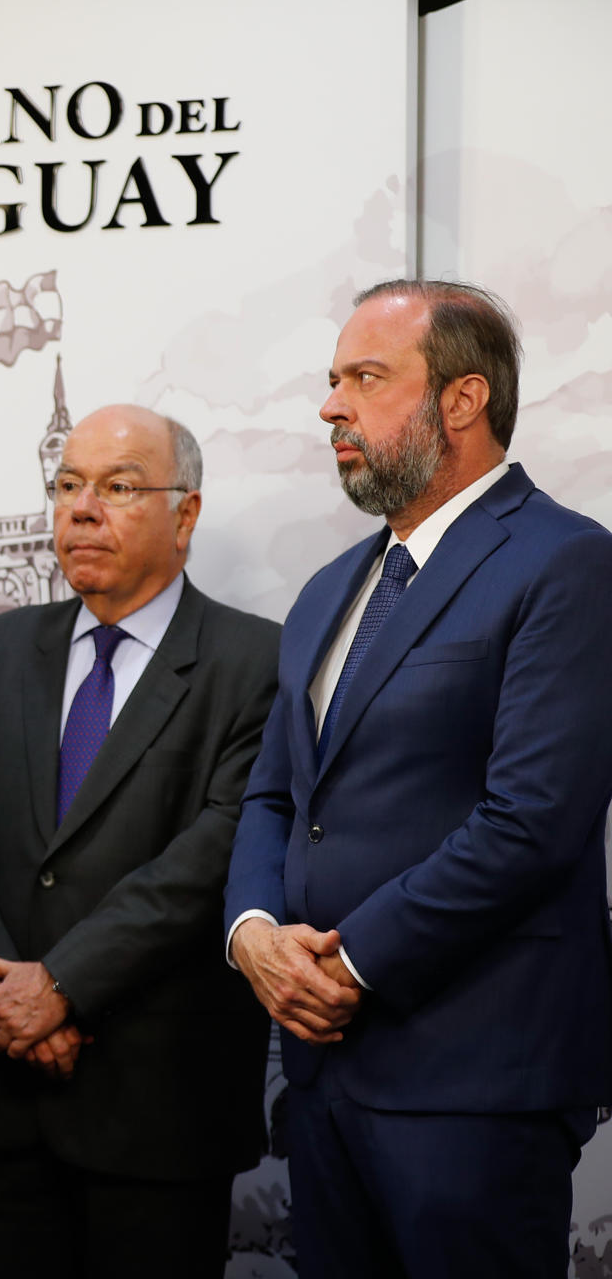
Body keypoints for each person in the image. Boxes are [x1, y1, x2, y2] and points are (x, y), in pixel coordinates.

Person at [223, 280, 612, 1277]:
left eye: (365, 377)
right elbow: (276, 796)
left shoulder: (566, 563)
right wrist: (256, 934)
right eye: (331, 380)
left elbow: (532, 820)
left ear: (463, 400)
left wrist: (346, 967)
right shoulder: (327, 590)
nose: (330, 407)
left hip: (474, 1082)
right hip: (320, 1081)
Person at [0, 404, 279, 1277]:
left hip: (157, 1113)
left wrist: (62, 988)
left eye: (117, 487)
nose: (81, 509)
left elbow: (213, 855)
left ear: (185, 514)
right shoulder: (0, 649)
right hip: (2, 1110)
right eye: (68, 484)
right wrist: (11, 1004)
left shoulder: (254, 661)